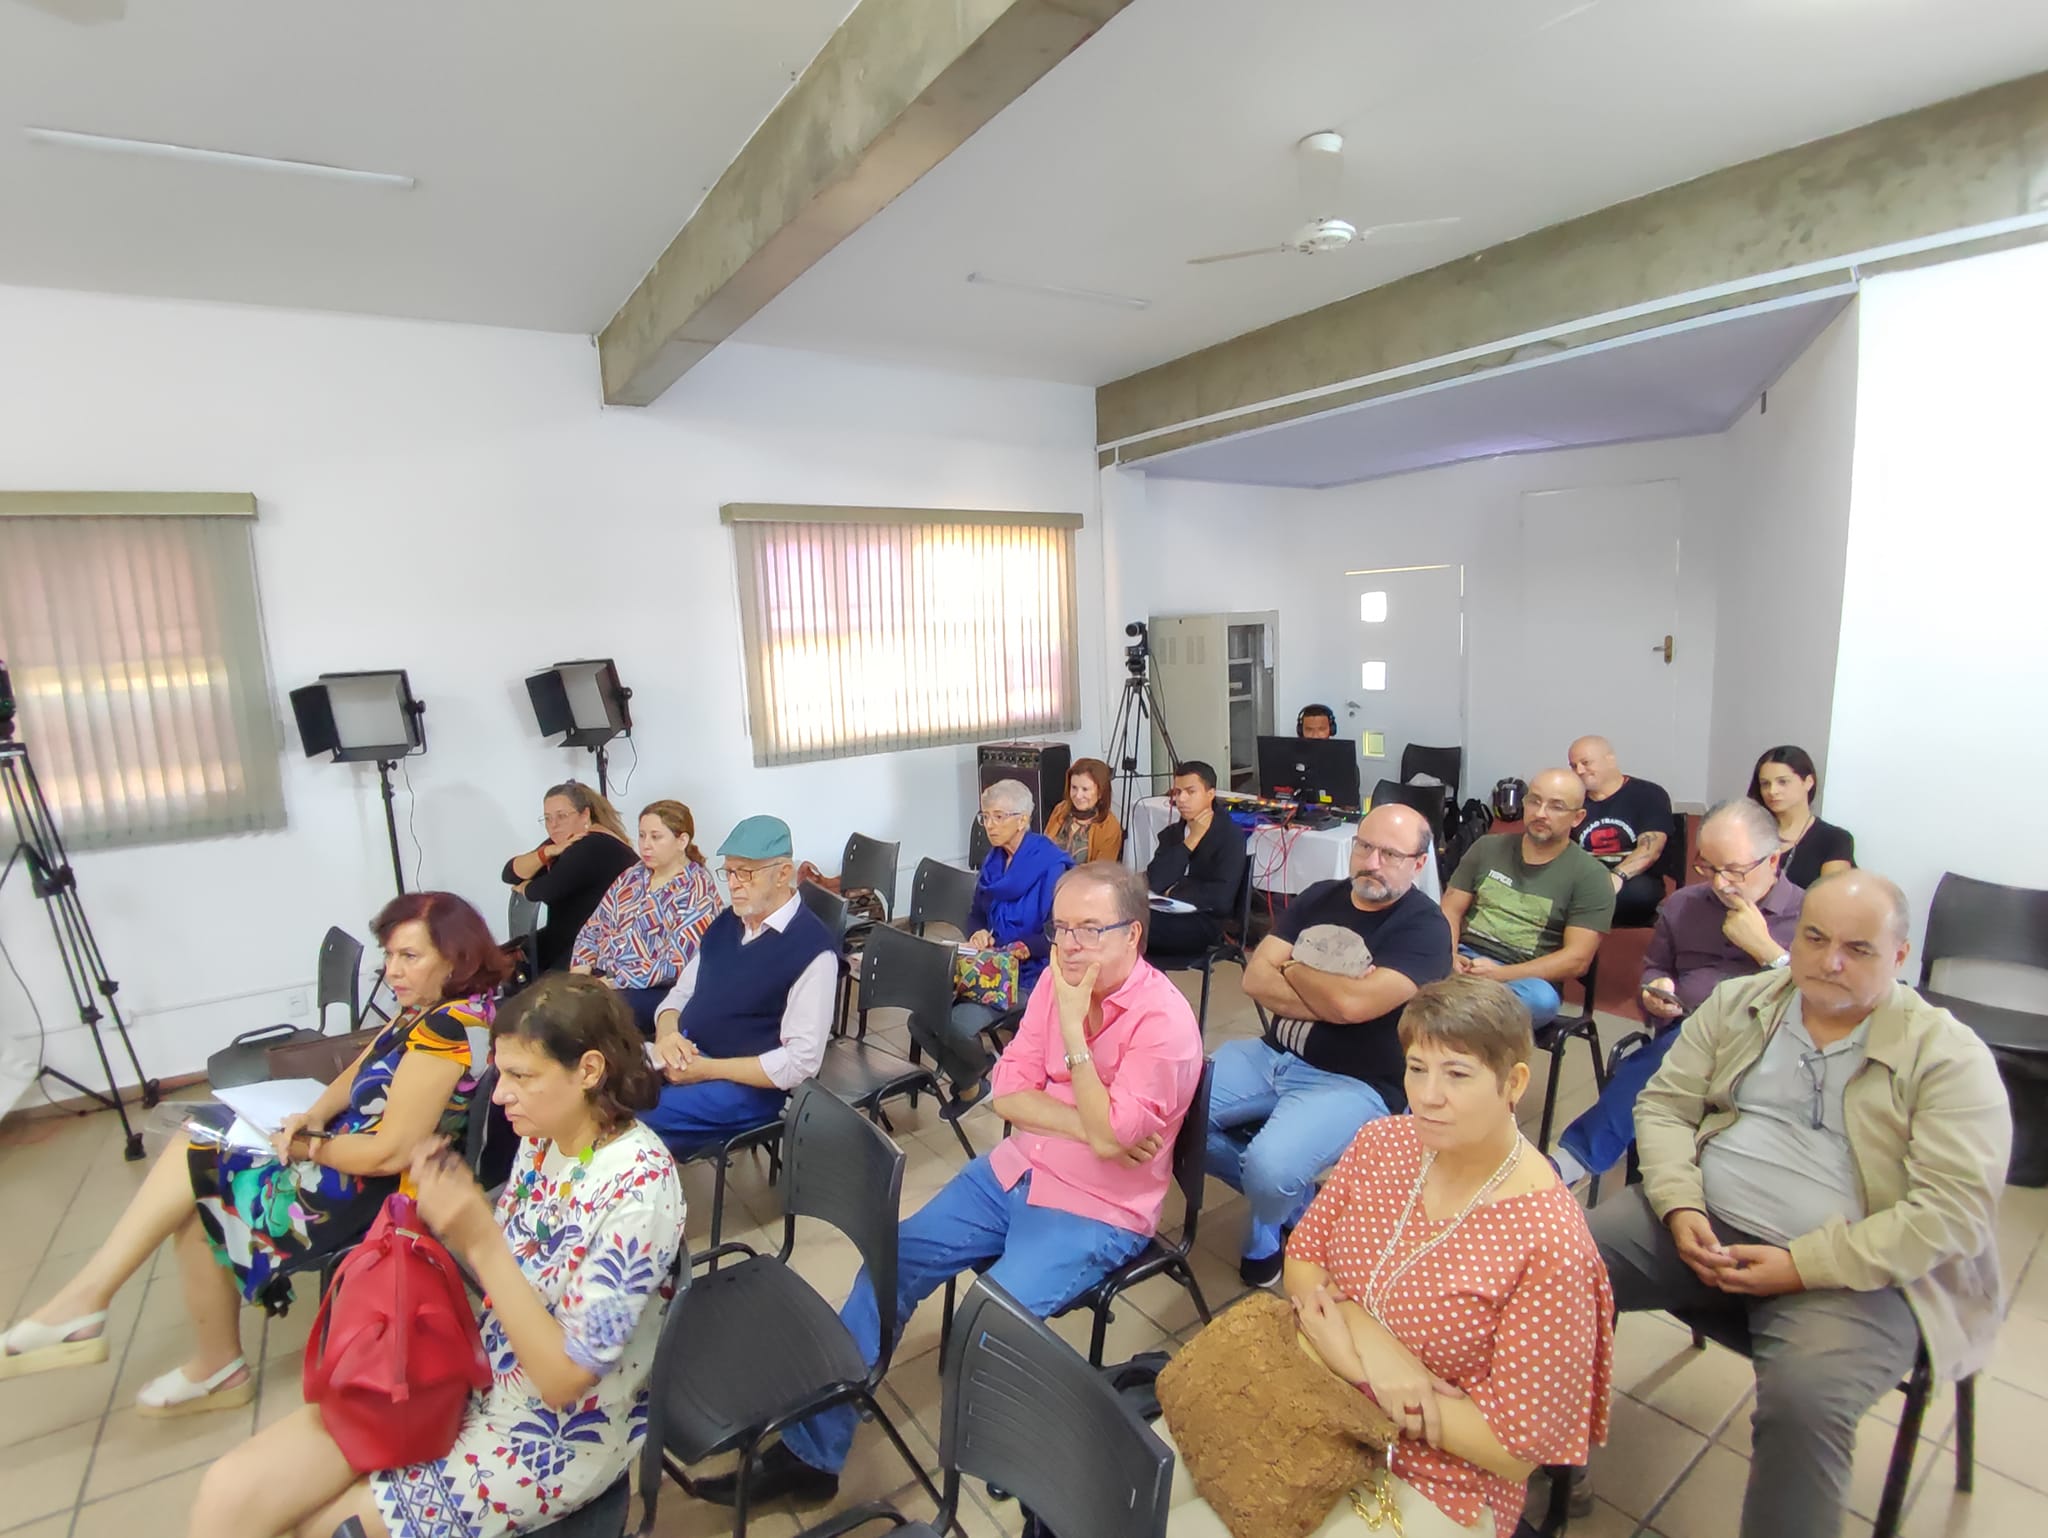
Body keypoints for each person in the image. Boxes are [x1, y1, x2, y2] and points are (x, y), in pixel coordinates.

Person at [701, 862, 1204, 1509]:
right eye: (1061, 929)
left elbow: (1108, 1144)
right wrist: (1089, 1118)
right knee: (889, 1265)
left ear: (1133, 935)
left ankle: (1010, 1457)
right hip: (1014, 1170)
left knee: (984, 1324)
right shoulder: (1057, 979)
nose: (1070, 946)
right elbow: (1009, 1093)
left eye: (1089, 930)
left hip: (1095, 1209)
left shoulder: (1163, 1026)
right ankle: (811, 1454)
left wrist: (1076, 1040)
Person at [185, 972, 685, 1538]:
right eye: (501, 1074)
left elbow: (565, 1380)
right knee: (231, 1491)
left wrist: (478, 1238)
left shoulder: (639, 1193)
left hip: (552, 1435)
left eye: (521, 1076)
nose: (499, 1096)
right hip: (471, 1369)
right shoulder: (545, 1138)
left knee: (318, 1528)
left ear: (589, 1071)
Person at [1590, 872, 2011, 1538]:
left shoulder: (1948, 1056)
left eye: (1859, 949)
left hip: (1857, 1264)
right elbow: (1665, 1106)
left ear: (1900, 956)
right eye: (1813, 938)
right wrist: (1679, 1204)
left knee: (1805, 1402)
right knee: (1557, 1263)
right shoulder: (1742, 1002)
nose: (1829, 961)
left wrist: (1803, 1265)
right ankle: (1528, 1463)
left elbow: (1952, 1213)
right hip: (1701, 1222)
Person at [0, 893, 508, 1411]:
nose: (393, 971)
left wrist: (311, 1146)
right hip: (347, 1157)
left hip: (371, 1191)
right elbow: (365, 1065)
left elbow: (388, 1154)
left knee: (199, 1164)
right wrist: (313, 1113)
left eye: (409, 957)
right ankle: (150, 1333)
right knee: (200, 1160)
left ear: (457, 957)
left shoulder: (449, 1028)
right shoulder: (428, 1009)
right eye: (390, 956)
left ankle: (123, 1319)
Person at [1161, 976, 1614, 1538]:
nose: (1427, 1095)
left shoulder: (1550, 1245)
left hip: (1434, 1473)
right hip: (1309, 1386)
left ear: (1513, 1083)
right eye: (1417, 1068)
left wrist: (1362, 1373)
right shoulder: (1385, 1142)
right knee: (1142, 1494)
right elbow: (1303, 1259)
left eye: (1457, 1074)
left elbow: (1513, 1448)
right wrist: (1368, 1339)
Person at [1220, 804, 1453, 1286]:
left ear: (1418, 863)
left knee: (1267, 1169)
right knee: (1174, 1112)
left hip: (1355, 1081)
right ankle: (1301, 1201)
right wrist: (1334, 992)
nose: (1371, 862)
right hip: (1271, 1054)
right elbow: (1254, 980)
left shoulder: (1424, 928)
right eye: (1364, 847)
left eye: (1390, 853)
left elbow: (1353, 1008)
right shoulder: (1320, 896)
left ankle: (1269, 1226)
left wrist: (1296, 967)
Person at [1549, 799, 1802, 1187]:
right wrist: (1656, 989)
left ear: (1773, 860)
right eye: (1708, 868)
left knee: (1680, 1049)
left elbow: (1822, 1005)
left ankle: (1572, 1161)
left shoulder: (1810, 917)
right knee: (1682, 1044)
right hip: (1685, 1030)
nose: (1720, 883)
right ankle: (1582, 1167)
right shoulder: (1685, 905)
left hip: (1767, 1046)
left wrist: (1768, 952)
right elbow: (1657, 966)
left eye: (1734, 871)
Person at [639, 815, 837, 1152]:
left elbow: (800, 1064)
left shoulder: (813, 950)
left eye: (746, 873)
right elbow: (681, 993)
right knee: (601, 1088)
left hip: (748, 1087)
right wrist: (668, 1034)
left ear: (783, 874)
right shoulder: (727, 923)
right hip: (691, 1055)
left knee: (632, 1118)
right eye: (729, 872)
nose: (733, 884)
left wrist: (706, 1070)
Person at [915, 779, 1073, 1118]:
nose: (990, 826)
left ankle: (986, 1071)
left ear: (1023, 819)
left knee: (955, 1024)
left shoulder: (1051, 865)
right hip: (991, 965)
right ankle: (974, 1083)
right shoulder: (994, 862)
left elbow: (1058, 931)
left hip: (1031, 974)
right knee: (919, 1019)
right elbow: (975, 914)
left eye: (999, 817)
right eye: (985, 817)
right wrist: (980, 934)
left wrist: (1022, 948)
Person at [1441, 768, 1614, 1028]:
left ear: (1577, 817)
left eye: (1556, 806)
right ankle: (1462, 1020)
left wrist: (1500, 975)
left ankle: (1452, 1017)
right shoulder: (1487, 848)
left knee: (1540, 1001)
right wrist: (1450, 954)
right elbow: (1450, 910)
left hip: (1525, 976)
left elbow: (1577, 959)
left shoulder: (1592, 876)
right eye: (1534, 801)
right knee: (1407, 960)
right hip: (1465, 959)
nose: (1541, 813)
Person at [569, 799, 722, 1034]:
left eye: (655, 837)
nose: (645, 846)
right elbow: (593, 928)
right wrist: (579, 978)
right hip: (604, 981)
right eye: (641, 836)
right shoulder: (632, 876)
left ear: (682, 841)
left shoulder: (696, 888)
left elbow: (676, 964)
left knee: (585, 1018)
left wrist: (615, 982)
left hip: (653, 990)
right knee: (553, 1003)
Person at [502, 781, 638, 973]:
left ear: (585, 815)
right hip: (569, 938)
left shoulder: (592, 844)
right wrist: (547, 851)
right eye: (547, 818)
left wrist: (524, 887)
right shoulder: (565, 842)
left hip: (601, 947)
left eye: (562, 816)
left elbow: (545, 891)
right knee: (496, 962)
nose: (553, 825)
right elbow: (509, 873)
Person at [1566, 736, 1676, 928]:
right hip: (1586, 876)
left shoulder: (1648, 794)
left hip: (1633, 877)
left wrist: (1617, 876)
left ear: (1610, 759)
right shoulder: (1573, 799)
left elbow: (1651, 849)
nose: (1579, 771)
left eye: (1585, 763)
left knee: (1638, 895)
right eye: (1573, 766)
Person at [1145, 760, 1249, 958]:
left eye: (1190, 792)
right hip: (1165, 914)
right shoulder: (1172, 833)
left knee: (1133, 930)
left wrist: (1173, 890)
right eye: (1177, 792)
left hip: (1205, 923)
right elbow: (1155, 881)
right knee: (1123, 921)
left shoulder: (1230, 836)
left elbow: (1221, 899)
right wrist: (1189, 841)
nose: (1181, 799)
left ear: (1210, 794)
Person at [1747, 744, 1856, 889]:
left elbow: (1831, 901)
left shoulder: (1834, 839)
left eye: (1783, 782)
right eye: (1765, 784)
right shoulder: (1749, 833)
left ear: (1808, 782)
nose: (1772, 791)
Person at [1044, 756, 1124, 864]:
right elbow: (1044, 847)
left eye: (1085, 789)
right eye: (1074, 787)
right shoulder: (1060, 809)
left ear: (1100, 792)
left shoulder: (1109, 827)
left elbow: (1100, 873)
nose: (1078, 795)